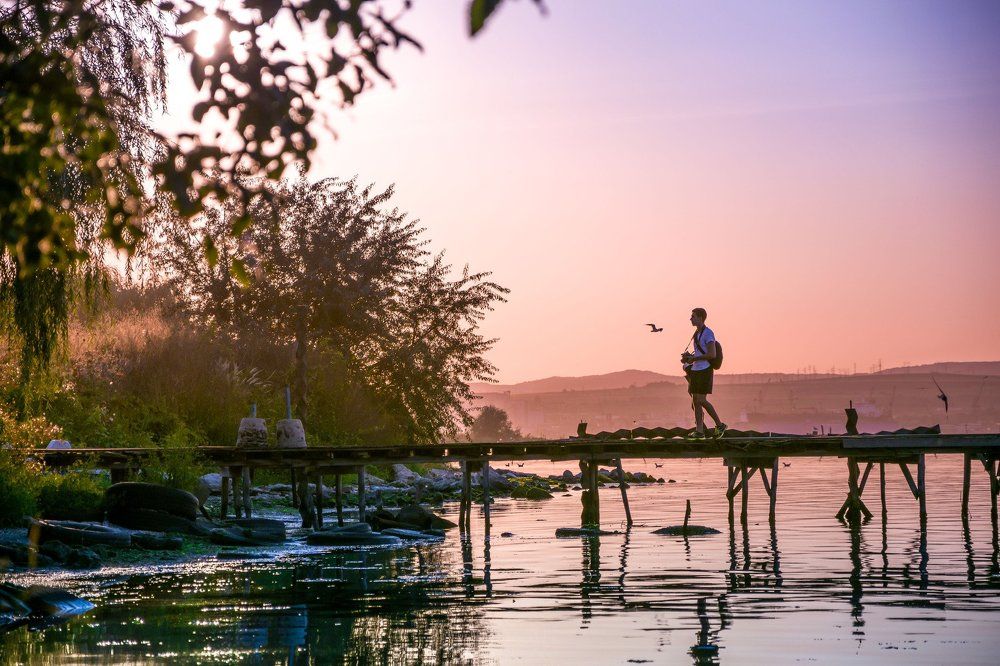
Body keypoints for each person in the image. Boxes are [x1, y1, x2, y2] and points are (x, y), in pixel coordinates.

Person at [681, 308, 726, 440]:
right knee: (696, 401)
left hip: (704, 370)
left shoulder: (708, 333)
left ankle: (720, 424)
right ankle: (699, 431)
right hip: (696, 369)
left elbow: (712, 354)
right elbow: (701, 353)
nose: (691, 319)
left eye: (693, 316)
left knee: (701, 400)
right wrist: (689, 356)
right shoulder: (696, 333)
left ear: (700, 318)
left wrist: (693, 359)